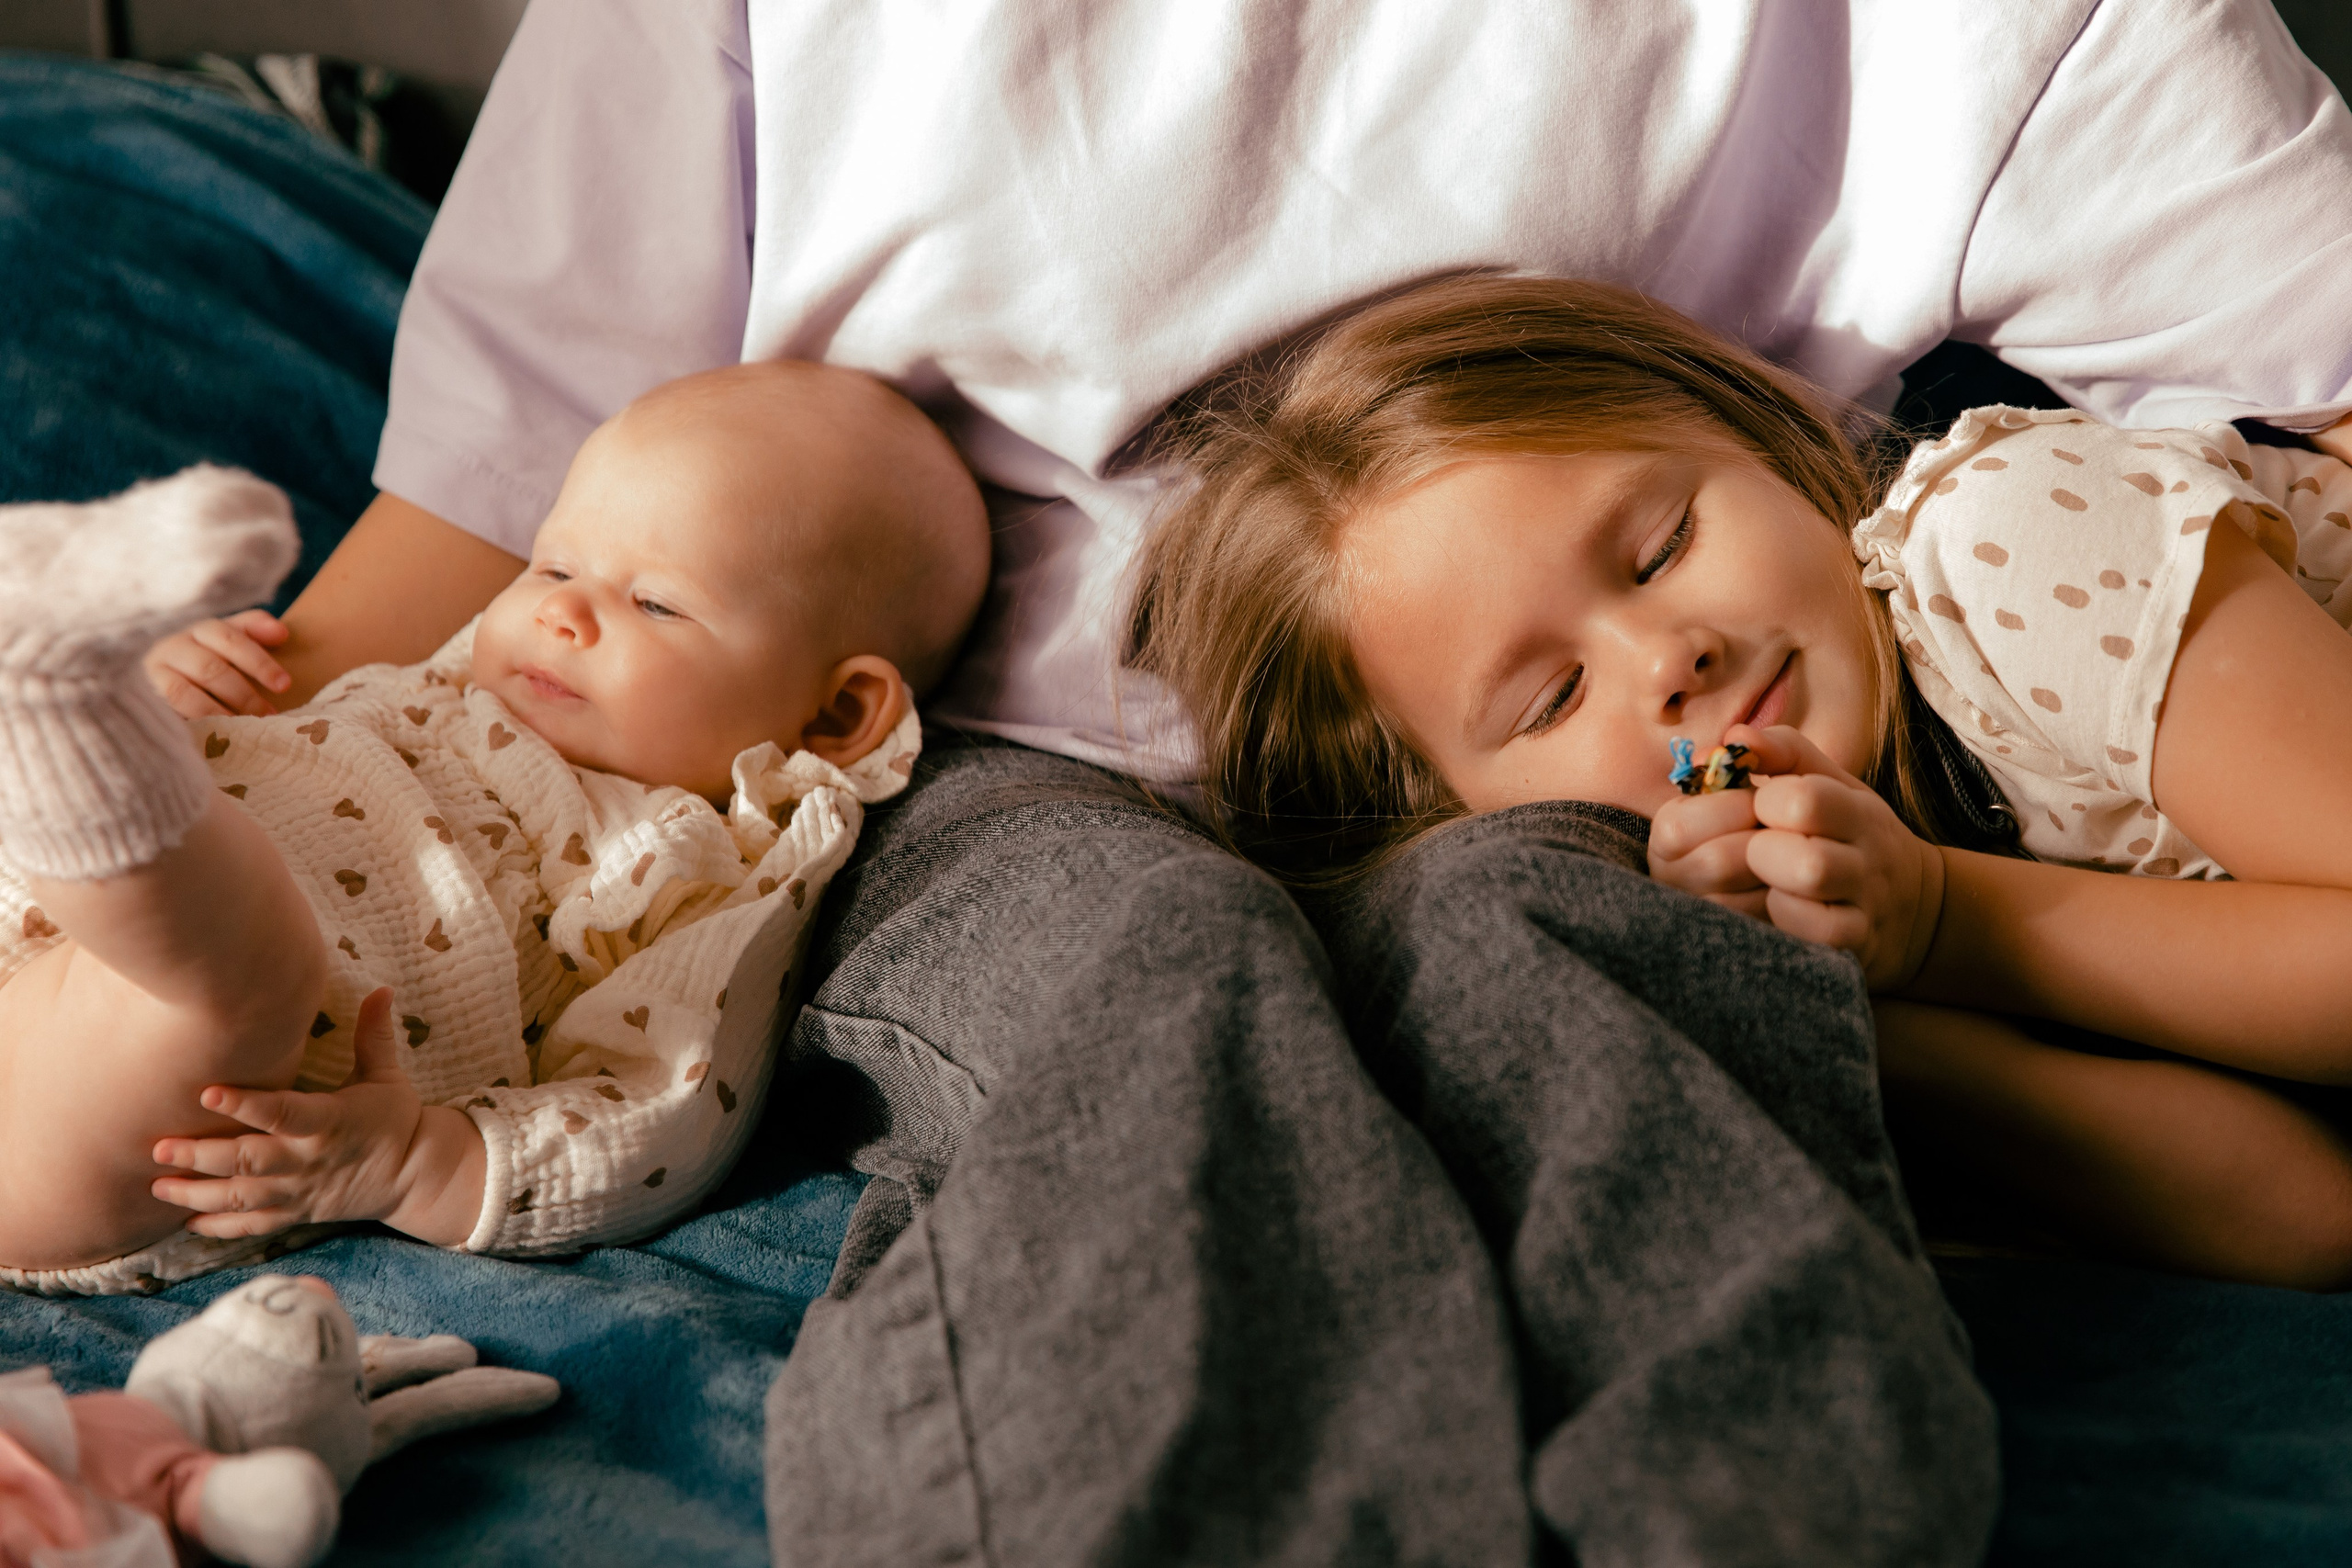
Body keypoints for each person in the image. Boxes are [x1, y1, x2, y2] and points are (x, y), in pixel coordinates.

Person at [161, 2, 2352, 1562]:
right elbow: (503, 494)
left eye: (1670, 552)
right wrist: (223, 784)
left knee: (1587, 953)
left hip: (1541, 778)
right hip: (949, 757)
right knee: (1150, 964)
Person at [1133, 269, 2352, 1293]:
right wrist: (1871, 1015)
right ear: (1478, 826)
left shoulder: (2010, 538)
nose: (1670, 658)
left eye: (1662, 547)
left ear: (1759, 443)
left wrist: (1946, 921)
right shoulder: (1795, 899)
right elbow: (2312, 1215)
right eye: (1553, 697)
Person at [0, 361, 989, 1297]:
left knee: (248, 975)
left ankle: (76, 728)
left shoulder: (705, 864)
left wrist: (416, 1162)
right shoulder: (444, 681)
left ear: (835, 714)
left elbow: (664, 1116)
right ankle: (92, 735)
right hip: (40, 907)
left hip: (136, 1114)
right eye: (553, 564)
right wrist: (178, 693)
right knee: (190, 826)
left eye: (654, 603)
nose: (562, 612)